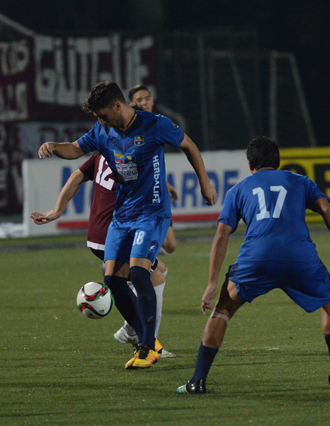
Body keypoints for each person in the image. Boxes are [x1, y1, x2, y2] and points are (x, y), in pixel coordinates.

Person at [38, 81, 217, 369]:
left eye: (102, 114)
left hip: (152, 211)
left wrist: (205, 183)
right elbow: (74, 149)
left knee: (138, 271)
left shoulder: (154, 124)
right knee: (112, 280)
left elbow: (189, 145)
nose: (100, 121)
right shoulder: (102, 131)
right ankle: (145, 341)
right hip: (122, 215)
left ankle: (147, 347)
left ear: (117, 106)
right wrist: (53, 147)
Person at [176, 137, 330, 394]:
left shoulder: (238, 190)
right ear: (278, 162)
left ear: (250, 164)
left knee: (223, 310)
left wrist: (211, 284)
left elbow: (221, 235)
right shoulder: (300, 181)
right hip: (299, 259)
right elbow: (327, 210)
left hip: (256, 260)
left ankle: (197, 381)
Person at [30, 149, 176, 358]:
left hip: (96, 234)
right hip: (115, 234)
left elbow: (75, 177)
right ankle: (147, 342)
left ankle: (133, 331)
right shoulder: (131, 154)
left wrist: (57, 211)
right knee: (156, 279)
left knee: (158, 270)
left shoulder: (103, 152)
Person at [129, 84, 178, 255]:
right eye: (139, 100)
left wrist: (165, 184)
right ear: (132, 104)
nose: (145, 102)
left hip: (157, 194)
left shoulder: (156, 124)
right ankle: (122, 260)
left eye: (147, 98)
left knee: (170, 245)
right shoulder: (131, 129)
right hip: (140, 198)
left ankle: (130, 256)